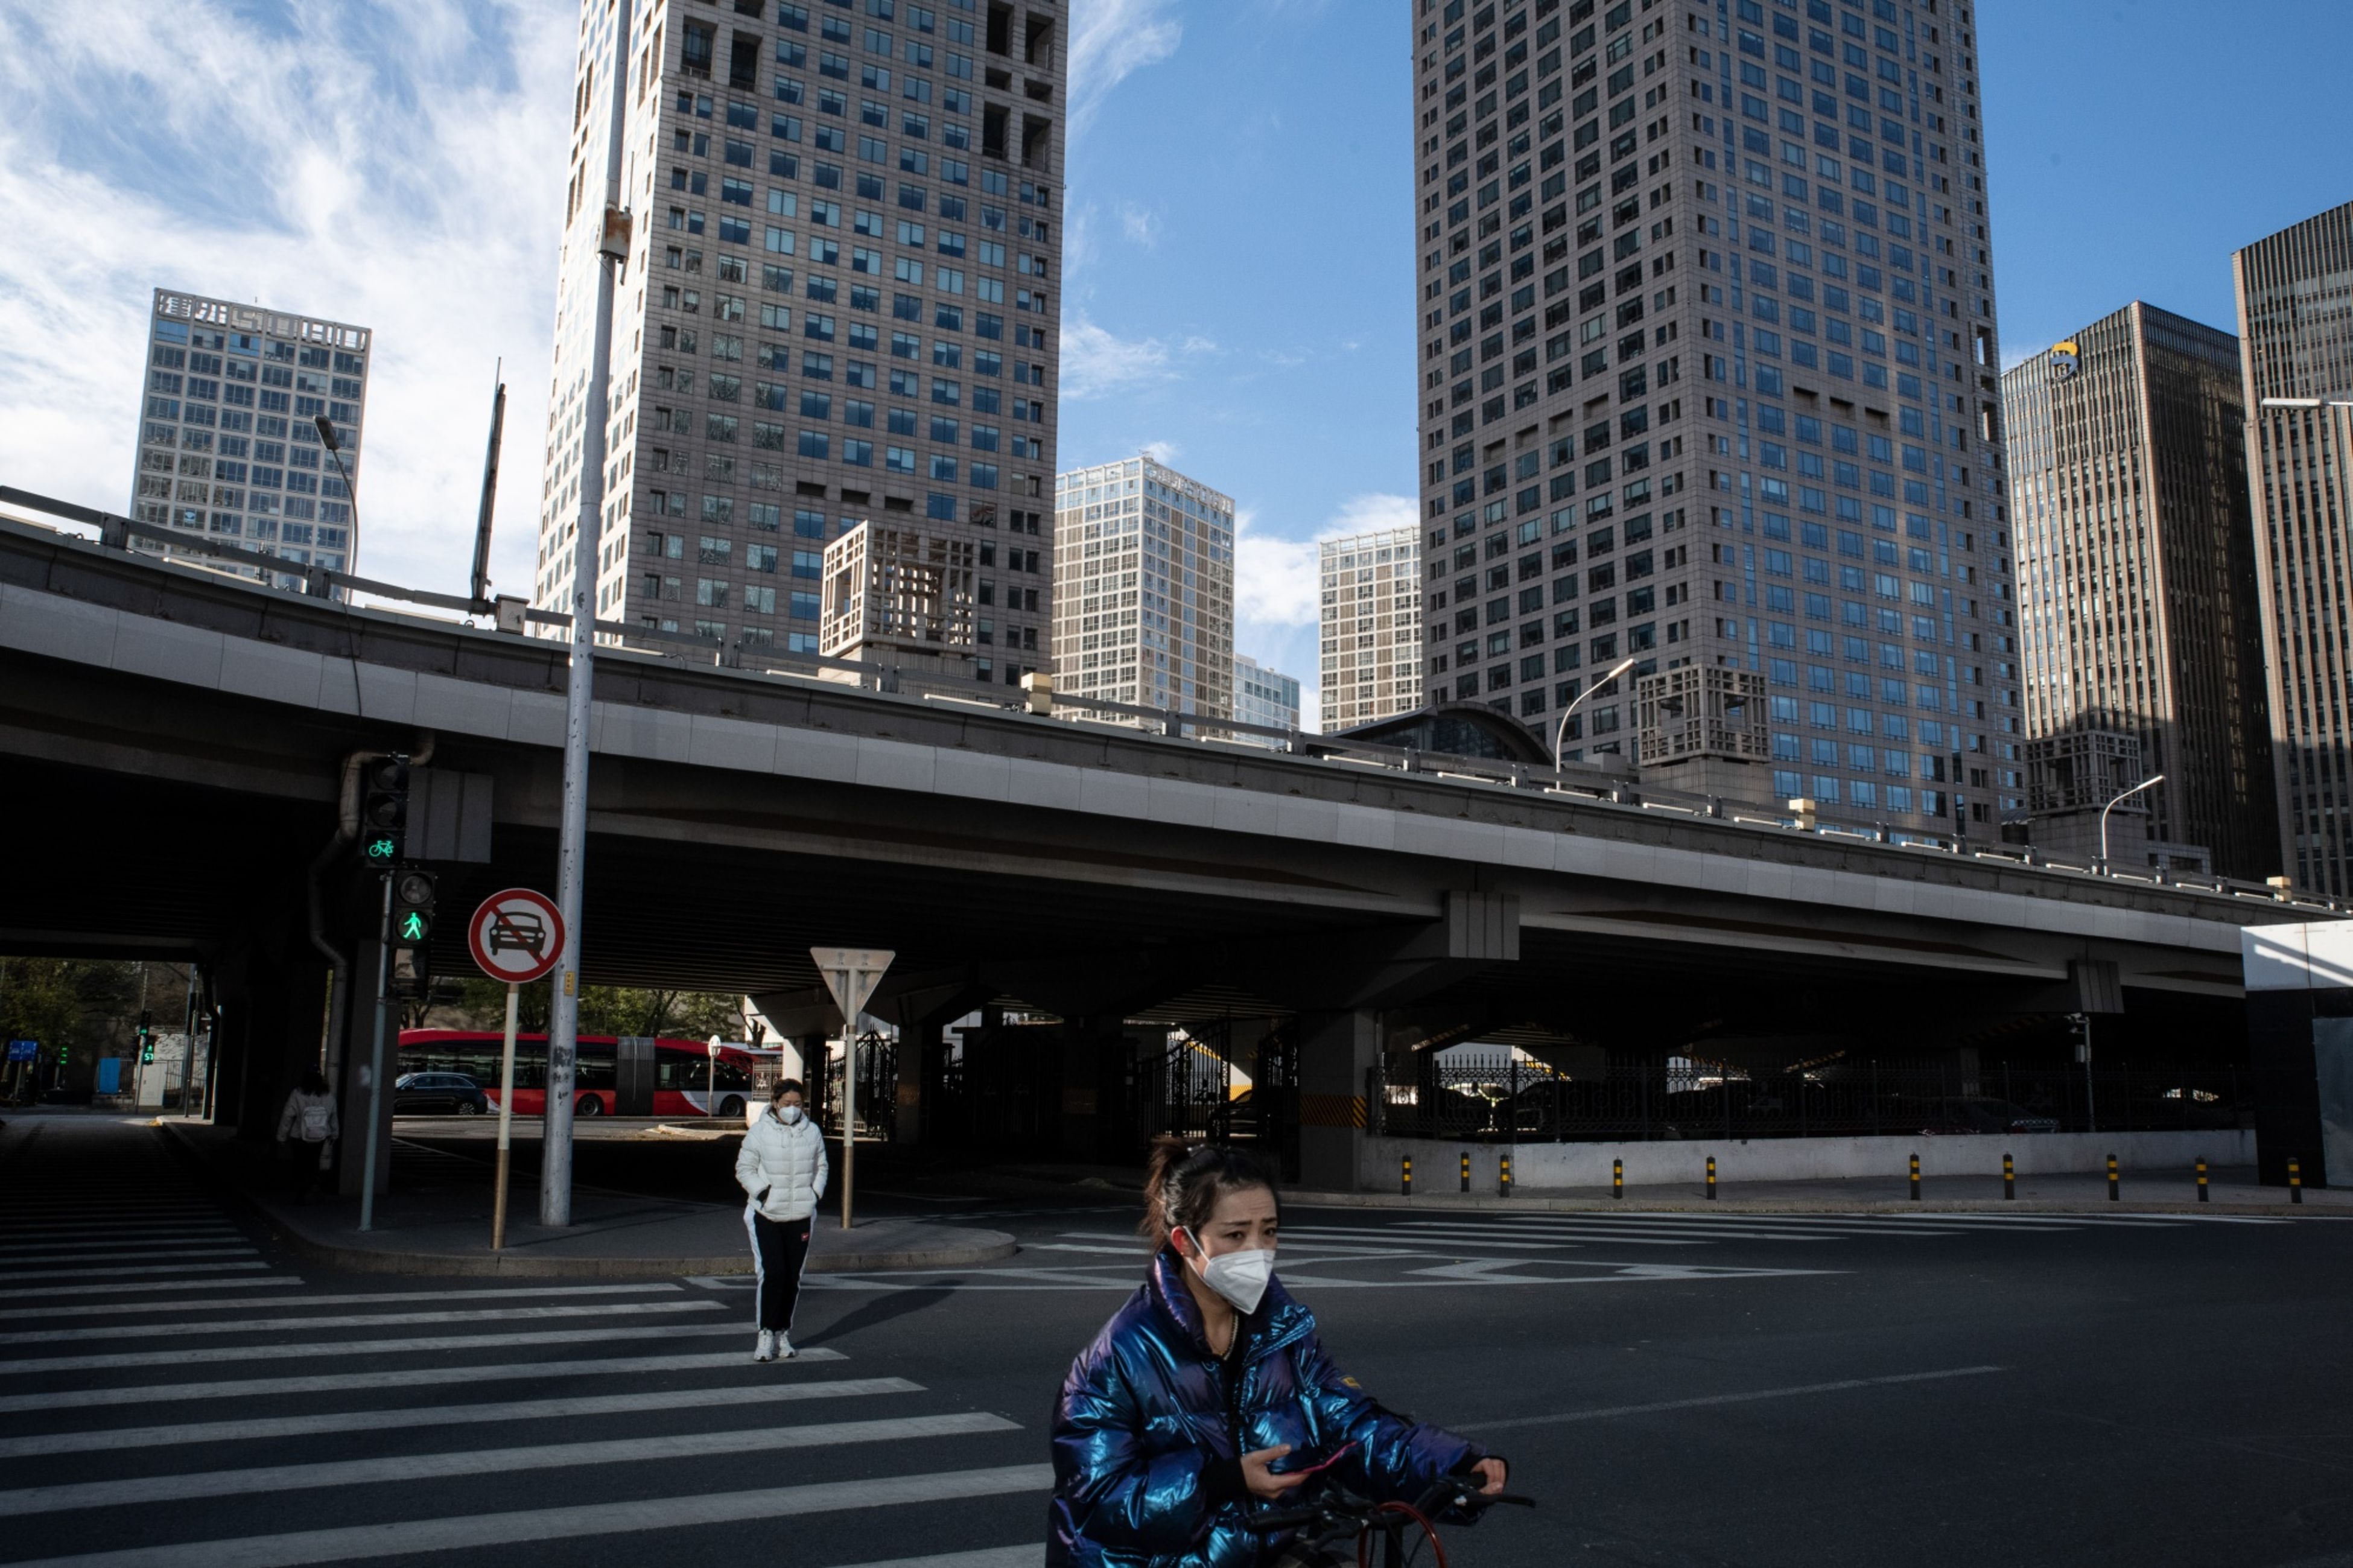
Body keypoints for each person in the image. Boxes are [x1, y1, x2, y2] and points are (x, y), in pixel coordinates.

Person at [1049, 1143, 1507, 1567]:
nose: (1258, 1252)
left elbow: (1349, 1425)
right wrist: (1220, 1481)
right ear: (1184, 1242)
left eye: (1268, 1232)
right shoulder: (1116, 1358)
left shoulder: (1285, 1333)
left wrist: (1452, 1463)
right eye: (1235, 1234)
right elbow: (1097, 1500)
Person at [735, 1077, 828, 1362]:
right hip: (767, 1214)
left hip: (800, 1214)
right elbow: (744, 1168)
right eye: (787, 1104)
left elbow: (820, 1166)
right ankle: (765, 1334)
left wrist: (814, 1194)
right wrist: (763, 1193)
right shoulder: (760, 1132)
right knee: (772, 1274)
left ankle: (783, 1333)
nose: (792, 1109)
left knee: (792, 1278)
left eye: (798, 1104)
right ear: (775, 1103)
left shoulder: (812, 1132)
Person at [273, 1069, 338, 1203]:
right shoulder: (327, 1096)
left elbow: (288, 1116)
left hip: (299, 1135)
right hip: (320, 1136)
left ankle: (300, 1191)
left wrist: (282, 1136)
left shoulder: (297, 1094)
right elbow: (333, 1116)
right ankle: (313, 1186)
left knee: (299, 1163)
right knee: (314, 1162)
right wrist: (334, 1133)